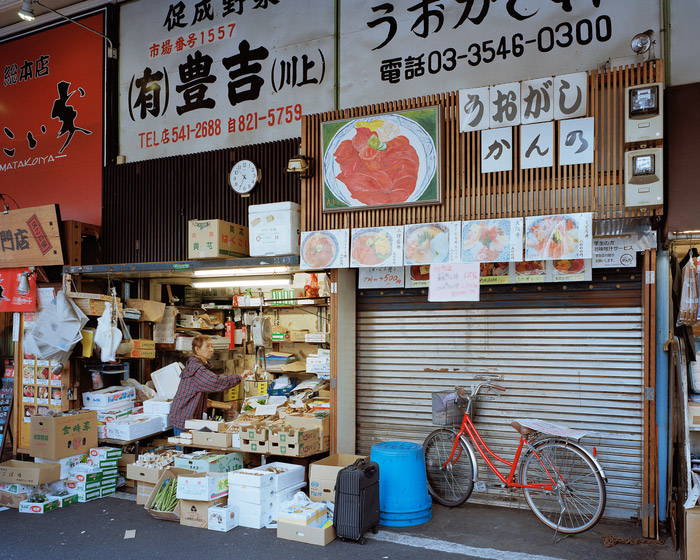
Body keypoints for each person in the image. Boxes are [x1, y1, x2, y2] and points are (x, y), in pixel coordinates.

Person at [169, 334, 242, 434]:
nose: (211, 349)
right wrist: (239, 377)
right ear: (197, 349)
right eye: (207, 346)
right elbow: (216, 382)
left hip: (188, 417)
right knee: (186, 448)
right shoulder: (197, 368)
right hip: (184, 417)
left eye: (212, 346)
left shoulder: (197, 364)